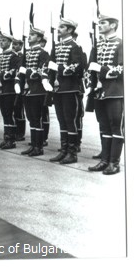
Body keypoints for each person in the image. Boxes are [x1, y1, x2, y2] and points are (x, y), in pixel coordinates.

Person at [87, 14, 124, 175]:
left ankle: (114, 163)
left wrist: (101, 70)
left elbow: (121, 69)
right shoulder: (98, 45)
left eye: (103, 23)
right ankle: (104, 160)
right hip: (99, 92)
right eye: (99, 23)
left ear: (113, 25)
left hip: (115, 92)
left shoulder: (120, 44)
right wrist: (91, 85)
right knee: (104, 127)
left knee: (116, 126)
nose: (99, 25)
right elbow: (89, 69)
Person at [48, 17, 84, 165]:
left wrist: (60, 68)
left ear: (69, 30)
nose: (59, 29)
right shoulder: (56, 46)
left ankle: (72, 153)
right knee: (62, 120)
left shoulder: (75, 46)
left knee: (70, 121)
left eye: (62, 27)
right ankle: (63, 151)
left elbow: (77, 67)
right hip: (58, 89)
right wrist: (48, 82)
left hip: (70, 88)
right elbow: (50, 65)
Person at [17, 25, 51, 156]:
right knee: (31, 118)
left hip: (38, 89)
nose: (29, 37)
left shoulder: (43, 53)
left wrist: (29, 73)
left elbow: (43, 70)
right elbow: (22, 69)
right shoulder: (28, 52)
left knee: (37, 118)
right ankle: (34, 145)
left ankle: (39, 147)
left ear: (39, 38)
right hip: (28, 89)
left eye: (32, 35)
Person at [0, 32, 21, 149]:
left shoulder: (14, 56)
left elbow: (15, 70)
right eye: (1, 40)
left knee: (9, 114)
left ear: (9, 42)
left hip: (9, 88)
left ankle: (11, 140)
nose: (1, 42)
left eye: (4, 40)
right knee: (5, 115)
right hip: (1, 89)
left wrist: (3, 75)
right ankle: (6, 138)